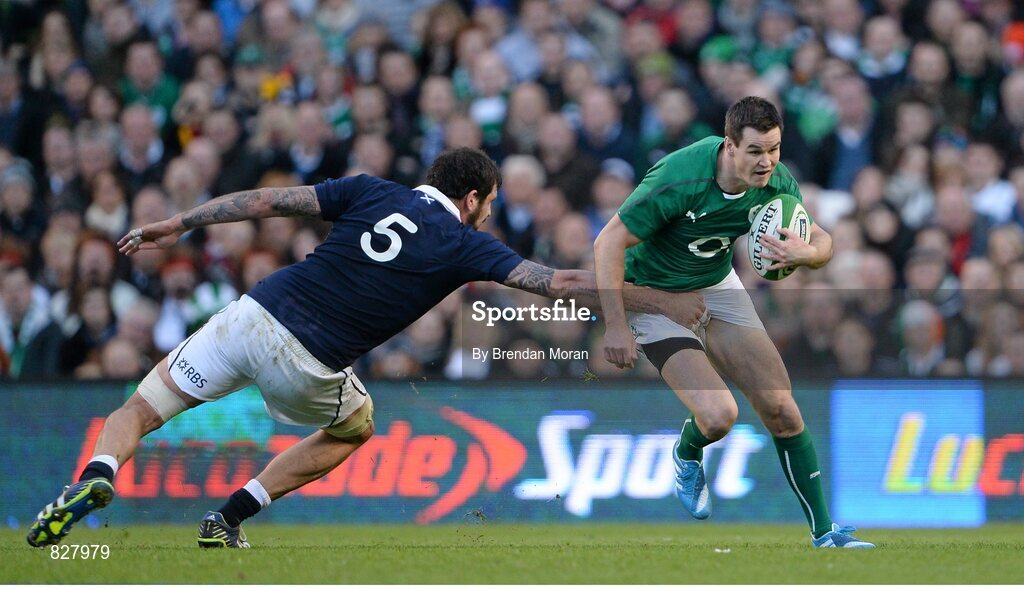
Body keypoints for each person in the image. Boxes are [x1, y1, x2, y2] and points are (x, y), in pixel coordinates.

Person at [27, 147, 705, 549]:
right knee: (357, 424)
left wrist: (180, 221)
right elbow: (555, 281)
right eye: (490, 204)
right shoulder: (463, 240)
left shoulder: (366, 189)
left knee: (140, 408)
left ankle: (98, 474)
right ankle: (230, 515)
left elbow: (268, 202)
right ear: (472, 199)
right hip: (308, 357)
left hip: (252, 311)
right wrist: (646, 293)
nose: (489, 214)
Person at [593, 97, 874, 549]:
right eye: (756, 151)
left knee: (782, 409)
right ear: (729, 146)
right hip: (655, 294)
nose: (767, 162)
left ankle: (826, 534)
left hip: (717, 286)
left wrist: (807, 253)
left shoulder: (776, 180)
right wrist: (616, 325)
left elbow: (820, 239)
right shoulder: (679, 178)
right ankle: (687, 452)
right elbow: (608, 243)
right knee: (720, 416)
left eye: (774, 149)